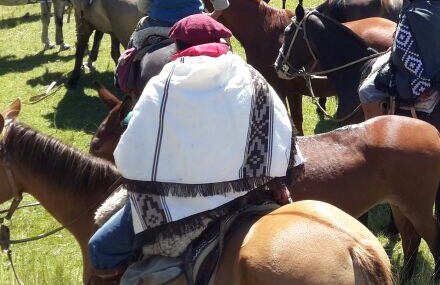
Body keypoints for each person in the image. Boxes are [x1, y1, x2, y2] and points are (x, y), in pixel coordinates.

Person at [87, 14, 299, 282]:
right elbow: (279, 128)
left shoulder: (165, 82)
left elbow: (133, 150)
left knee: (100, 248)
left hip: (178, 201)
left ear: (177, 46)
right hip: (249, 189)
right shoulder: (251, 76)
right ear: (223, 41)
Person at [357, 0, 440, 119]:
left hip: (428, 78)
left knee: (366, 91)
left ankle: (375, 136)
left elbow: (404, 56)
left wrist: (394, 53)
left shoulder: (410, 15)